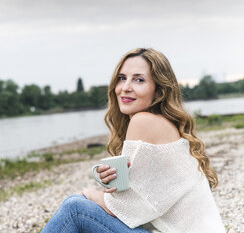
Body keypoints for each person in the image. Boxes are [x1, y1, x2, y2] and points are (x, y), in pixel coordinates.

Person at [41, 48, 225, 233]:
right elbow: (143, 202)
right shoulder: (163, 123)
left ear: (159, 90)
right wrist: (114, 187)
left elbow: (123, 209)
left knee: (75, 208)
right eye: (122, 78)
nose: (126, 87)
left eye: (139, 79)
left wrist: (90, 194)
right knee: (80, 203)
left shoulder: (143, 121)